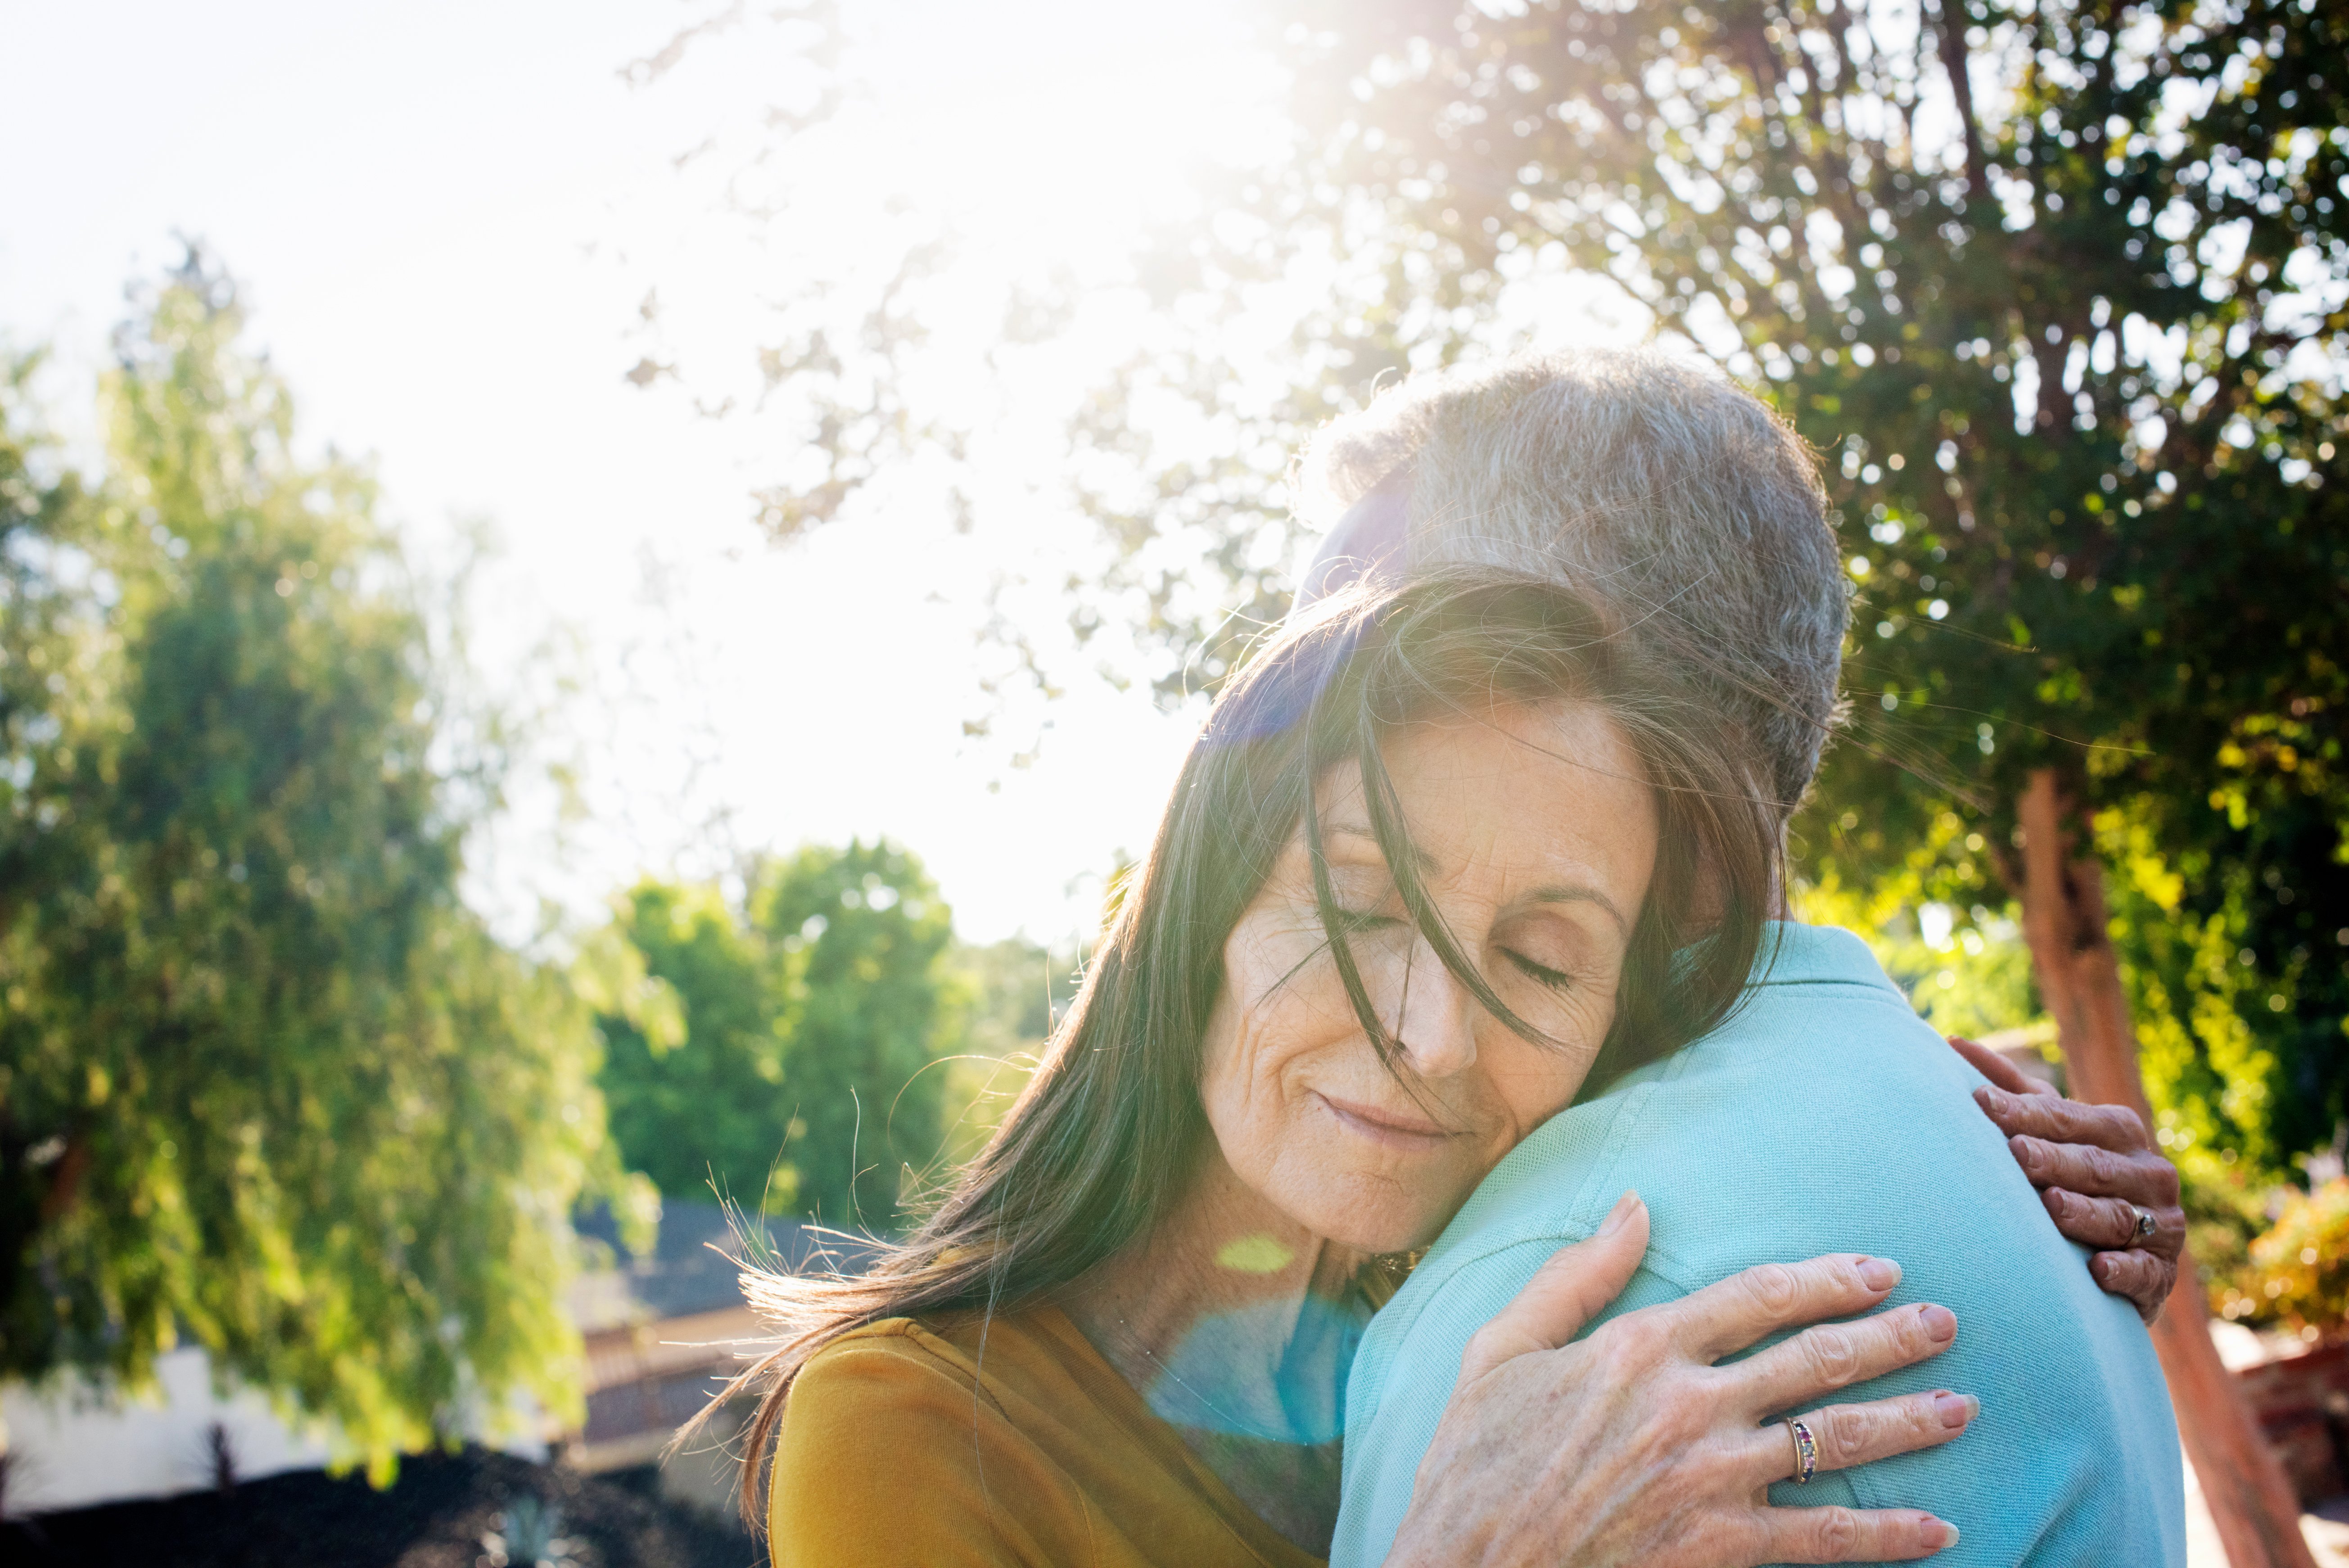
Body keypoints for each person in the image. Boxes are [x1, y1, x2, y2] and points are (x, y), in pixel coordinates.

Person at [731, 566, 2175, 1567]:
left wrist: (1985, 1167)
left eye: (1540, 961)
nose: (1429, 1036)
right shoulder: (907, 1422)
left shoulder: (1536, 1352)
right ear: (1193, 917)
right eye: (1360, 907)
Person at [1301, 353, 2186, 1567]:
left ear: (1582, 674)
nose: (1294, 741)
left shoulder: (1541, 1314)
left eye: (1363, 661)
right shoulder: (1994, 1157)